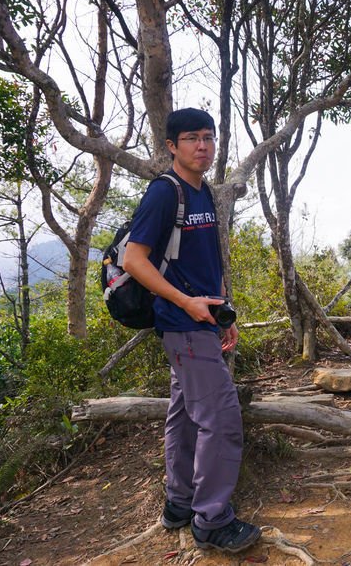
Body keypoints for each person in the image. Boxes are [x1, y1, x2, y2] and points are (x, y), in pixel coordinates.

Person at [122, 108, 261, 554]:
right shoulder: (166, 193)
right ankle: (212, 520)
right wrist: (186, 303)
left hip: (203, 321)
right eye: (191, 138)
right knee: (220, 419)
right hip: (182, 324)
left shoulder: (202, 193)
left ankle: (180, 503)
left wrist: (225, 312)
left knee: (184, 416)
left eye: (208, 137)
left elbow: (205, 263)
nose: (202, 145)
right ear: (171, 146)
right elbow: (133, 260)